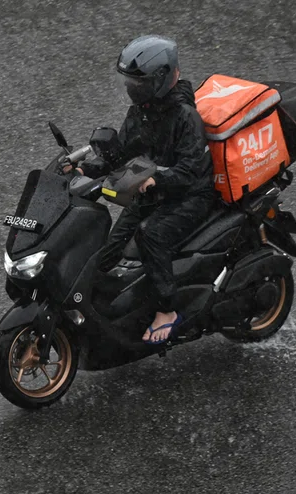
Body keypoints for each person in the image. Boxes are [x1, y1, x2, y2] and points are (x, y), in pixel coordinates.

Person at [70, 35, 216, 345]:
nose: (130, 88)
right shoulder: (142, 112)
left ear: (160, 79)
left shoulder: (185, 117)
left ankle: (167, 310)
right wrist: (84, 170)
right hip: (153, 193)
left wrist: (158, 180)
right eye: (128, 81)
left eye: (137, 82)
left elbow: (190, 170)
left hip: (190, 195)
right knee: (109, 249)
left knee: (150, 235)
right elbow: (121, 153)